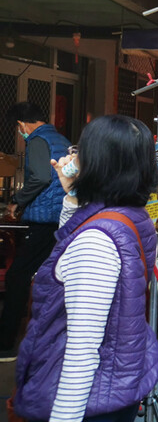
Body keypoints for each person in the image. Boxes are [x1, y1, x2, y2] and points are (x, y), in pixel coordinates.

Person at [15, 114, 158, 422]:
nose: (73, 154)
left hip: (80, 408)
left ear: (97, 164)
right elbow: (74, 243)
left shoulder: (96, 241)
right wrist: (71, 194)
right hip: (115, 395)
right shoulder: (132, 218)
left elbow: (82, 347)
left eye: (81, 149)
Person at [0, 102, 71, 360]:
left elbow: (40, 178)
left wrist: (17, 201)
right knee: (48, 276)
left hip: (43, 220)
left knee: (17, 275)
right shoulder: (61, 139)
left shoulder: (38, 141)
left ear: (22, 124)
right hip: (60, 217)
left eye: (18, 128)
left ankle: (6, 341)